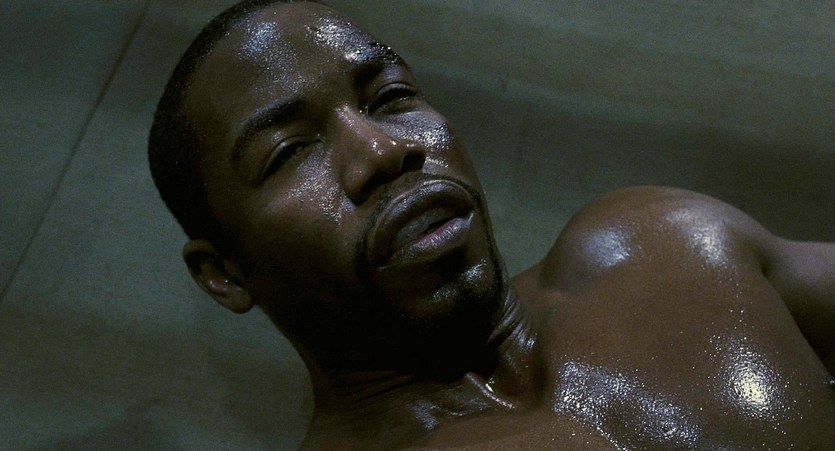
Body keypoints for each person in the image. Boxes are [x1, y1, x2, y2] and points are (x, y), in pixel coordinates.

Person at [148, 0, 835, 448]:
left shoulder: (661, 243)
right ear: (223, 272)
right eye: (290, 151)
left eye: (390, 97)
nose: (383, 150)